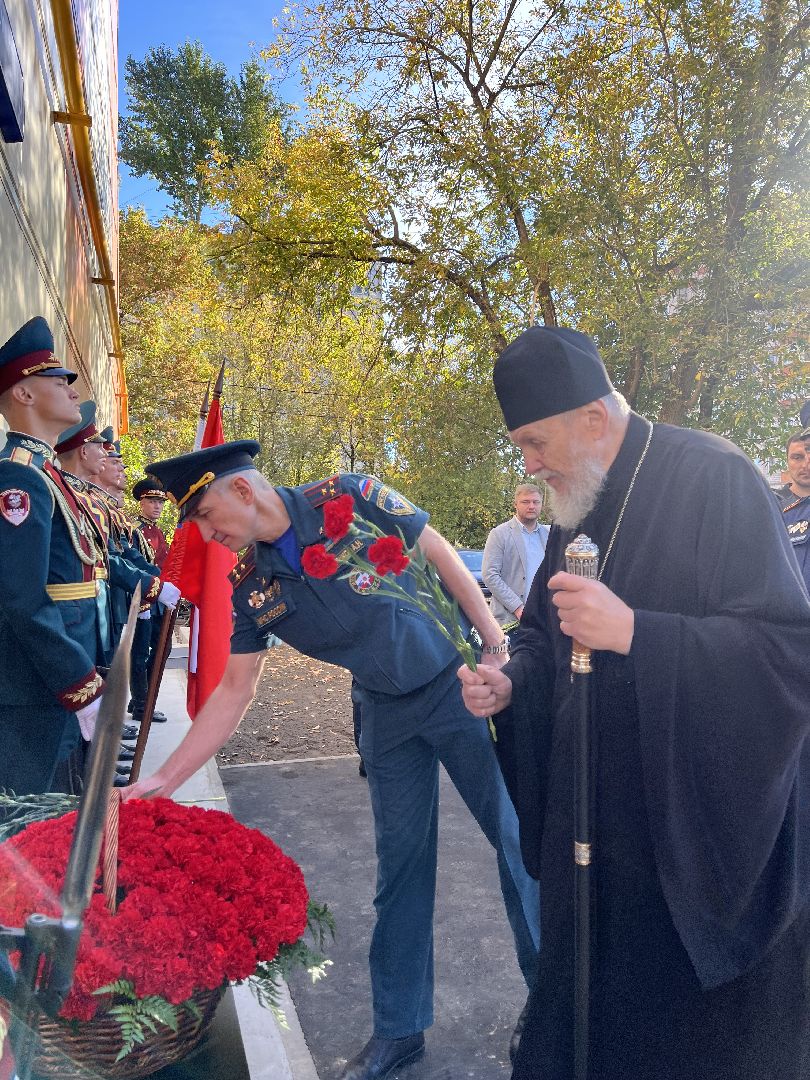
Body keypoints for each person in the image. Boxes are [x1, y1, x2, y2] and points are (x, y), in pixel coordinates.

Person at [459, 325, 810, 1080]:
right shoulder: (575, 497)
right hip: (591, 827)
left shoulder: (715, 476)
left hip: (683, 836)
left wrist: (638, 633)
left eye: (532, 441)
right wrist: (514, 679)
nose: (528, 464)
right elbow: (543, 633)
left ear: (591, 418)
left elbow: (787, 652)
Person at [125, 442, 541, 1080]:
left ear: (241, 492)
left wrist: (491, 643)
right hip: (385, 714)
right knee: (400, 871)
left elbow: (441, 557)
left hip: (459, 686)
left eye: (208, 515)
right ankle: (400, 1029)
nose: (209, 534)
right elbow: (233, 692)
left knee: (518, 847)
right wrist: (164, 777)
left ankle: (551, 1003)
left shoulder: (350, 496)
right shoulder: (248, 584)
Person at [0, 317, 105, 794]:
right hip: (34, 684)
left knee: (56, 809)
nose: (70, 389)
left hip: (54, 673)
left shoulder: (45, 472)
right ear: (24, 394)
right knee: (25, 824)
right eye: (57, 379)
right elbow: (21, 597)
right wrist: (78, 681)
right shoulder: (19, 478)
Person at [128, 477, 172, 726]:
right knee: (139, 653)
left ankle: (140, 699)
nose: (157, 506)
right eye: (152, 501)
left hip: (160, 597)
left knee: (160, 650)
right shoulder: (134, 530)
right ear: (141, 502)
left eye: (160, 502)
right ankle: (142, 706)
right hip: (144, 599)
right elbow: (136, 565)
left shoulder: (157, 530)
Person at [482, 483, 549, 646]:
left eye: (536, 502)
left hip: (543, 621)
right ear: (515, 504)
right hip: (511, 622)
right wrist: (518, 608)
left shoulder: (549, 534)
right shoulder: (499, 534)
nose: (531, 506)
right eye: (525, 502)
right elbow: (490, 575)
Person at [775, 429, 810, 593]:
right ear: (787, 461)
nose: (805, 464)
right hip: (787, 613)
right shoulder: (771, 508)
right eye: (797, 457)